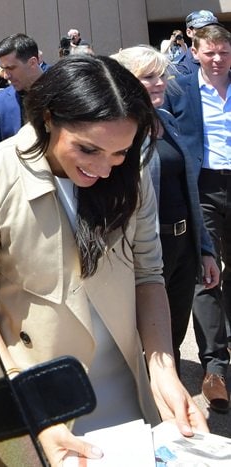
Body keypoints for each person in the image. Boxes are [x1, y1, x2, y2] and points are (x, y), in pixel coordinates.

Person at [0, 55, 207, 466]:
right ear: (49, 118)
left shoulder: (133, 173)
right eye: (88, 149)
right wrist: (22, 400)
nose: (103, 168)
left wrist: (163, 369)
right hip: (35, 391)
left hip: (126, 389)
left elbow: (148, 274)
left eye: (120, 152)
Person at [111, 45, 219, 372]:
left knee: (174, 330)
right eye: (148, 77)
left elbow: (189, 190)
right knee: (143, 335)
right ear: (126, 81)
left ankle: (168, 388)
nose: (159, 83)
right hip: (145, 249)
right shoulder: (119, 132)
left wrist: (204, 249)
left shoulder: (166, 120)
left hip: (182, 246)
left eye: (161, 75)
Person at [162, 24, 231, 413]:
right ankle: (215, 368)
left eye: (224, 52)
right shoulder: (180, 89)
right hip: (202, 187)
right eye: (210, 52)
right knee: (208, 271)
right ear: (195, 52)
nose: (217, 59)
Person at [0, 33, 43, 153]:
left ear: (33, 63)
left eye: (11, 68)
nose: (6, 75)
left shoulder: (63, 93)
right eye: (3, 69)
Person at [175, 10, 220, 75]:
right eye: (203, 30)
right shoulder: (182, 66)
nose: (210, 33)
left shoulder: (226, 57)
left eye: (214, 29)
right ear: (189, 32)